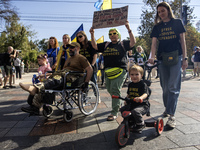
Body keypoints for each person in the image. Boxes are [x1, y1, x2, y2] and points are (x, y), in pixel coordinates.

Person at [19, 42, 93, 115]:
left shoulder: (81, 58)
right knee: (50, 83)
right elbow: (62, 70)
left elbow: (90, 69)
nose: (70, 49)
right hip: (63, 74)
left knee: (55, 81)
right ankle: (35, 106)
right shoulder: (69, 59)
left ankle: (35, 89)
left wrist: (86, 83)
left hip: (73, 77)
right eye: (70, 47)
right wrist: (47, 74)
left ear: (78, 48)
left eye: (72, 48)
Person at [148, 2, 188, 128]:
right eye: (159, 12)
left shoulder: (177, 23)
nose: (161, 13)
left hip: (176, 57)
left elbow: (183, 41)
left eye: (163, 11)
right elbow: (154, 44)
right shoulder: (157, 27)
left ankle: (171, 116)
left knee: (173, 86)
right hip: (161, 58)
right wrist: (152, 57)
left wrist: (185, 58)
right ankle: (167, 108)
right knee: (164, 87)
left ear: (168, 10)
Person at [90, 20, 136, 121]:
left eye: (114, 33)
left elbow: (133, 42)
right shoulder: (106, 44)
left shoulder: (123, 43)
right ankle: (119, 101)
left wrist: (129, 29)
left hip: (120, 70)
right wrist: (92, 34)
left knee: (115, 89)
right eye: (110, 34)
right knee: (110, 89)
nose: (112, 35)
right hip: (108, 71)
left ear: (118, 35)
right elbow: (95, 46)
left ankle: (114, 112)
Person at [120, 65, 149, 132]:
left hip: (142, 105)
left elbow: (145, 94)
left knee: (135, 111)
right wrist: (126, 99)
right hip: (133, 104)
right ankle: (129, 121)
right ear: (129, 75)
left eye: (136, 74)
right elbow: (129, 94)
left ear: (141, 75)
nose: (134, 76)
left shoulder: (142, 84)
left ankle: (141, 124)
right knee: (123, 109)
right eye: (132, 74)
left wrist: (140, 98)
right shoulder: (130, 84)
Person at [76, 31, 100, 103]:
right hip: (83, 68)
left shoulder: (90, 44)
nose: (79, 38)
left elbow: (95, 55)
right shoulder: (78, 46)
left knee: (93, 82)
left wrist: (92, 65)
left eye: (80, 36)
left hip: (91, 67)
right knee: (83, 83)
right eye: (78, 37)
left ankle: (97, 97)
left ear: (84, 36)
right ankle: (84, 97)